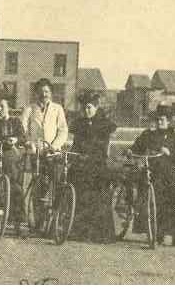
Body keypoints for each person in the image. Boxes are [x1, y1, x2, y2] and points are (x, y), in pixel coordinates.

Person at [129, 109, 175, 247]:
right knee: (154, 200)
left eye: (162, 120)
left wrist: (170, 153)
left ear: (168, 121)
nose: (159, 122)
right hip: (154, 173)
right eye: (157, 120)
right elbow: (137, 147)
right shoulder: (149, 135)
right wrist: (130, 150)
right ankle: (158, 234)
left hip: (172, 174)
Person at [69, 92, 117, 243]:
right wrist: (73, 154)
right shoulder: (80, 123)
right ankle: (78, 231)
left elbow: (102, 146)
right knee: (73, 185)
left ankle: (100, 234)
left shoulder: (103, 124)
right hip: (81, 163)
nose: (87, 110)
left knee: (99, 193)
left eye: (89, 107)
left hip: (97, 163)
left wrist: (89, 154)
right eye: (84, 108)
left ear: (96, 107)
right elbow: (76, 144)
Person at [20, 79, 69, 204]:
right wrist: (29, 142)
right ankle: (38, 216)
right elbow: (23, 129)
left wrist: (55, 146)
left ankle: (55, 211)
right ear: (36, 93)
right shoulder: (30, 109)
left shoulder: (57, 109)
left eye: (47, 91)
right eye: (41, 92)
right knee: (39, 183)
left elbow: (63, 130)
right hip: (36, 152)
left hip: (52, 152)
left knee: (57, 180)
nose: (44, 94)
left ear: (51, 93)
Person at [0, 96, 26, 235]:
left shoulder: (15, 121)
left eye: (2, 106)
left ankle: (18, 223)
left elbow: (22, 137)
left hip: (11, 156)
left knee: (16, 187)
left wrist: (15, 139)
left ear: (8, 107)